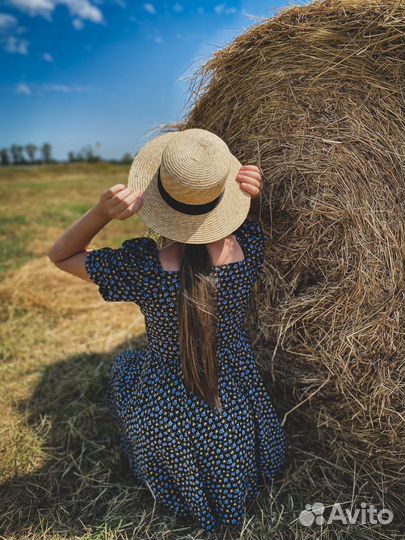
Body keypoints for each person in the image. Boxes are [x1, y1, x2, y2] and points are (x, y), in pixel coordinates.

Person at [48, 128, 288, 532]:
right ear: (222, 200)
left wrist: (101, 213)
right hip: (231, 409)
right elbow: (245, 223)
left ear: (158, 199)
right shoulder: (250, 245)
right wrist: (253, 197)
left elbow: (61, 255)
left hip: (166, 418)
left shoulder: (142, 267)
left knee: (125, 368)